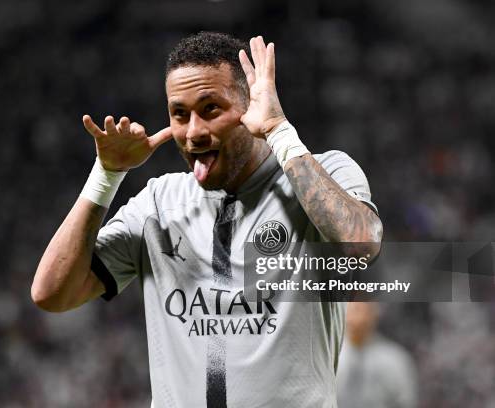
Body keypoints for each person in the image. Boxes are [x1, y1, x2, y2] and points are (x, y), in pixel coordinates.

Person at [32, 32, 383, 407]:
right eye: (179, 114)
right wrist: (106, 175)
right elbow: (52, 293)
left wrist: (280, 130)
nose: (194, 132)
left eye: (211, 109)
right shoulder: (158, 203)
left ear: (250, 106)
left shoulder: (323, 172)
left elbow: (360, 245)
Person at [337, 302, 418, 408]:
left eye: (361, 310)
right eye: (352, 310)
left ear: (374, 314)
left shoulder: (395, 360)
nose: (356, 318)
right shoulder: (327, 359)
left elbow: (405, 401)